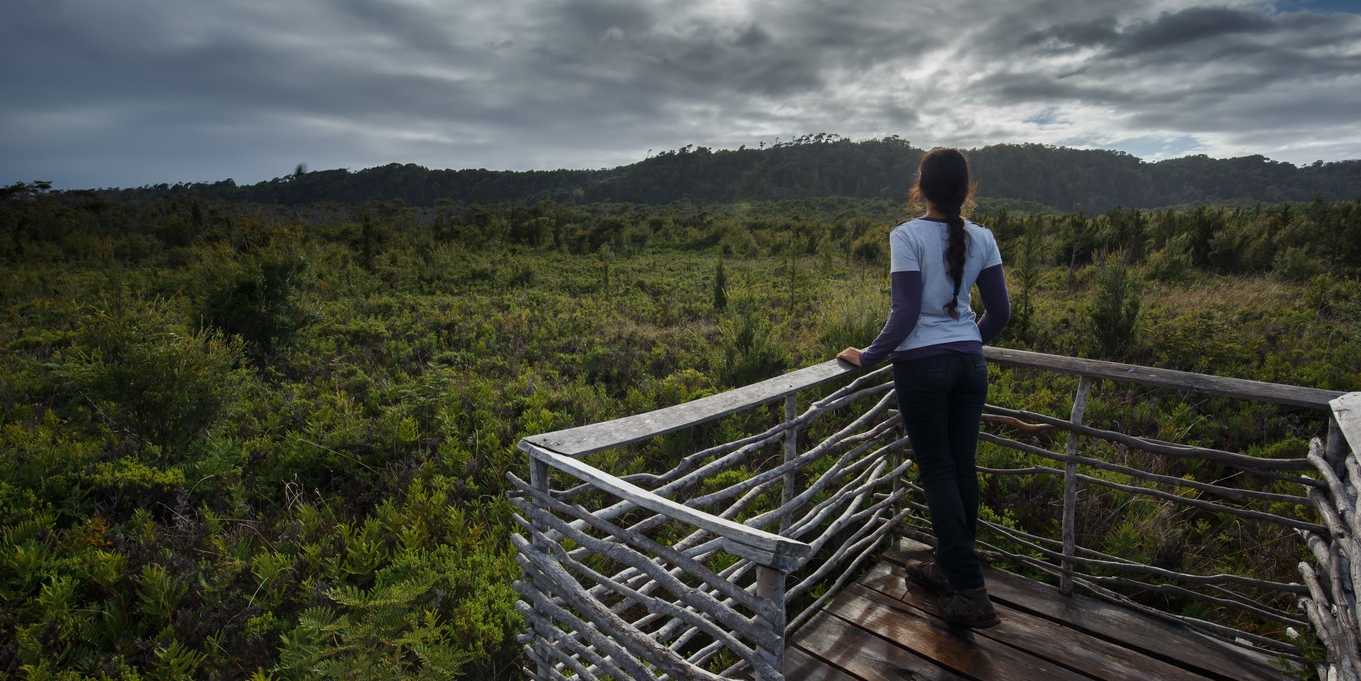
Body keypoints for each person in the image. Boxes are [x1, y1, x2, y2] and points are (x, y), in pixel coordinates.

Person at [836, 147, 1010, 629]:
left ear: (922, 187)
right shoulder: (984, 237)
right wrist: (968, 339)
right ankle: (949, 570)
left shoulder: (907, 235)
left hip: (922, 367)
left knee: (937, 471)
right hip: (968, 364)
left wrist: (867, 356)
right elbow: (1000, 312)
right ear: (965, 189)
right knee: (961, 469)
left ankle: (972, 592)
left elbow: (906, 312)